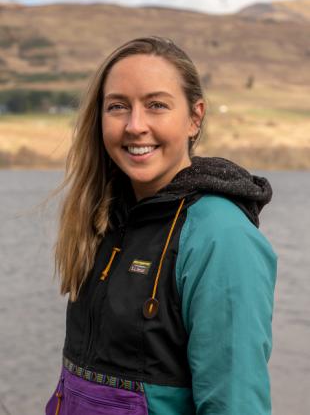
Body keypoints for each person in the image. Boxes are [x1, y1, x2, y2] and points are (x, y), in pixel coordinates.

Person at [45, 36, 277, 415]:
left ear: (194, 117)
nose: (135, 126)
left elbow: (235, 405)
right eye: (118, 106)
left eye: (156, 105)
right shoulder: (107, 217)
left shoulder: (220, 236)